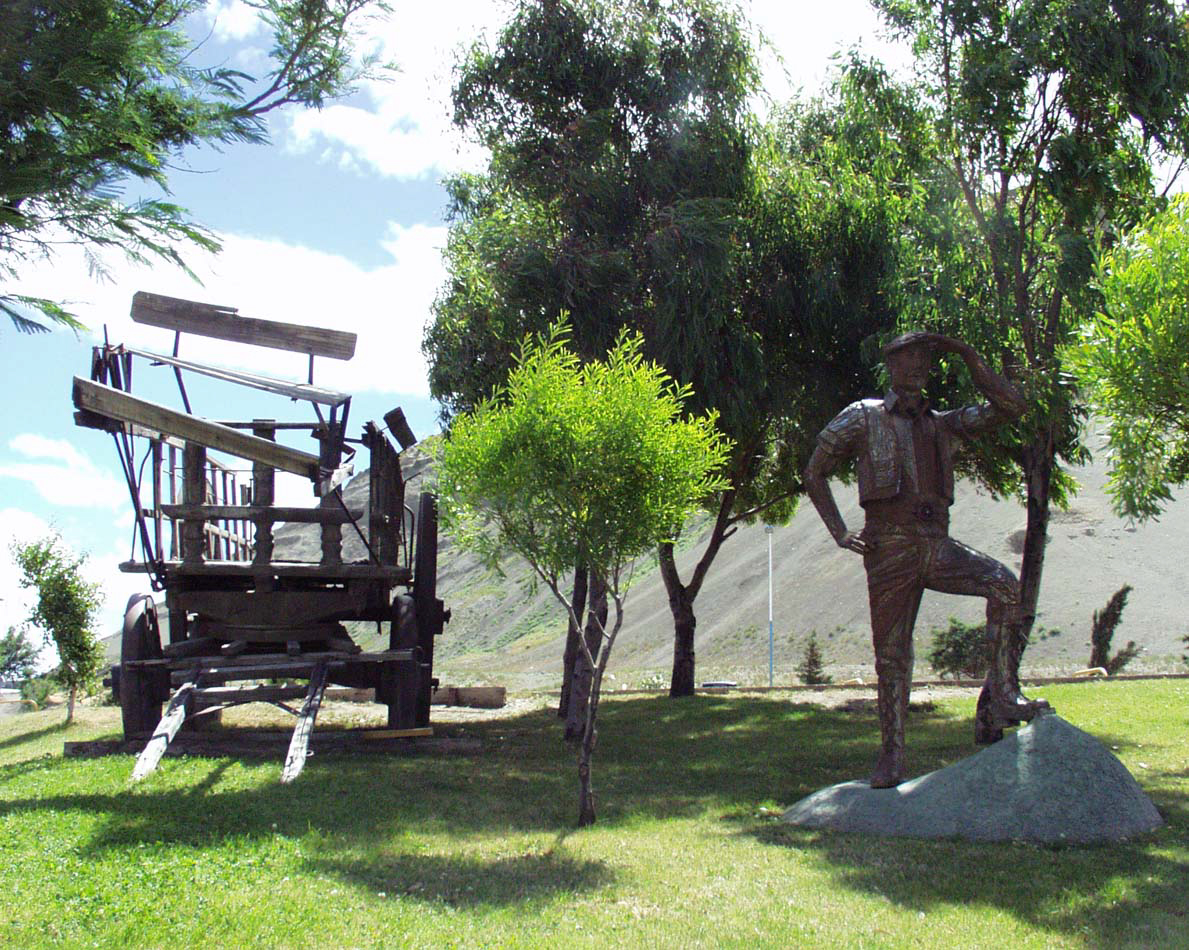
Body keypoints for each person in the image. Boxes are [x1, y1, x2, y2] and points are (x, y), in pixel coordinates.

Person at [803, 332, 1050, 788]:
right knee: (893, 655)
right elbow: (814, 470)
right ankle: (892, 756)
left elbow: (1011, 407)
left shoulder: (944, 423)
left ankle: (1001, 696)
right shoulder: (863, 416)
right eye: (908, 356)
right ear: (891, 365)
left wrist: (970, 355)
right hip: (889, 548)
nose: (917, 365)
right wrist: (840, 532)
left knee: (1004, 584)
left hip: (936, 544)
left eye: (925, 357)